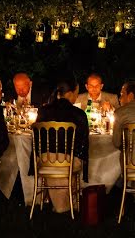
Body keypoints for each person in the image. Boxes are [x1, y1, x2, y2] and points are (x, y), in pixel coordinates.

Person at [34, 79, 90, 213]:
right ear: (70, 93)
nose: (77, 96)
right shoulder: (78, 113)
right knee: (76, 159)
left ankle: (50, 200)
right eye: (76, 93)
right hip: (68, 162)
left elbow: (37, 138)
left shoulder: (43, 111)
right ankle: (71, 201)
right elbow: (83, 141)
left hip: (45, 160)